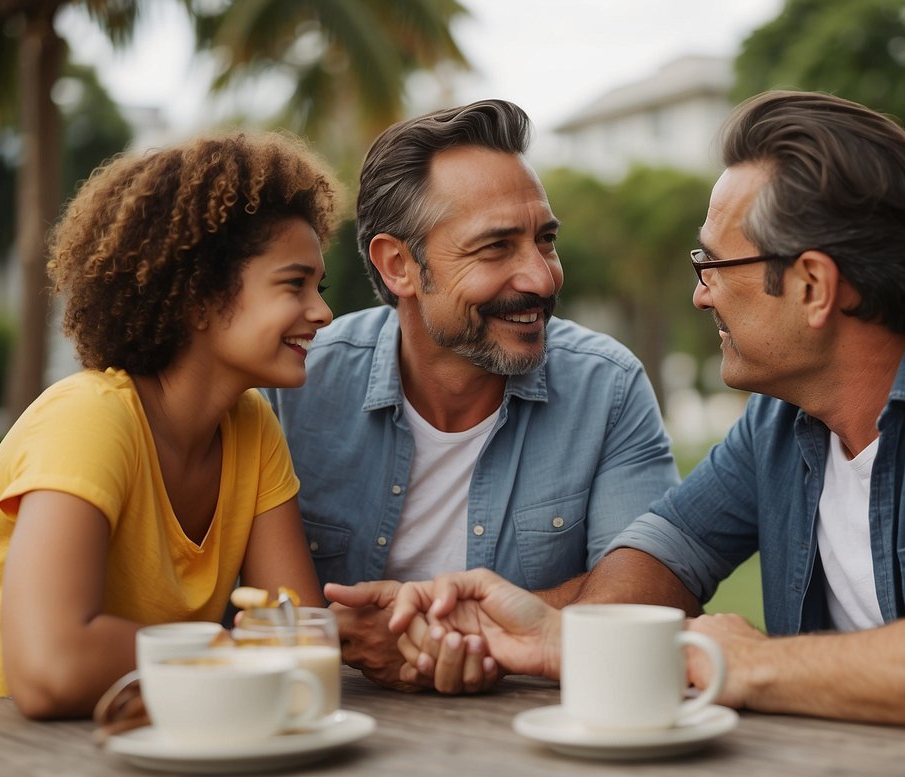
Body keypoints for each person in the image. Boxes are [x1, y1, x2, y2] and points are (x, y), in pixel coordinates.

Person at [384, 90, 905, 777]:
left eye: (713, 264)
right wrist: (551, 634)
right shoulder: (783, 422)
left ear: (811, 285)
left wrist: (746, 662)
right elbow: (661, 557)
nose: (701, 295)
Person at [0, 132, 338, 720]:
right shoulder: (90, 417)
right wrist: (230, 647)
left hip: (102, 761)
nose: (323, 311)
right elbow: (50, 668)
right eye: (295, 284)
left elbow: (297, 636)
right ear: (197, 296)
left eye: (321, 285)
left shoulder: (251, 428)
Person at [264, 99, 679, 693]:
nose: (541, 277)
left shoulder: (606, 386)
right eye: (496, 248)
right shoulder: (292, 388)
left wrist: (472, 628)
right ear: (398, 265)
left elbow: (650, 591)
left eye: (546, 240)